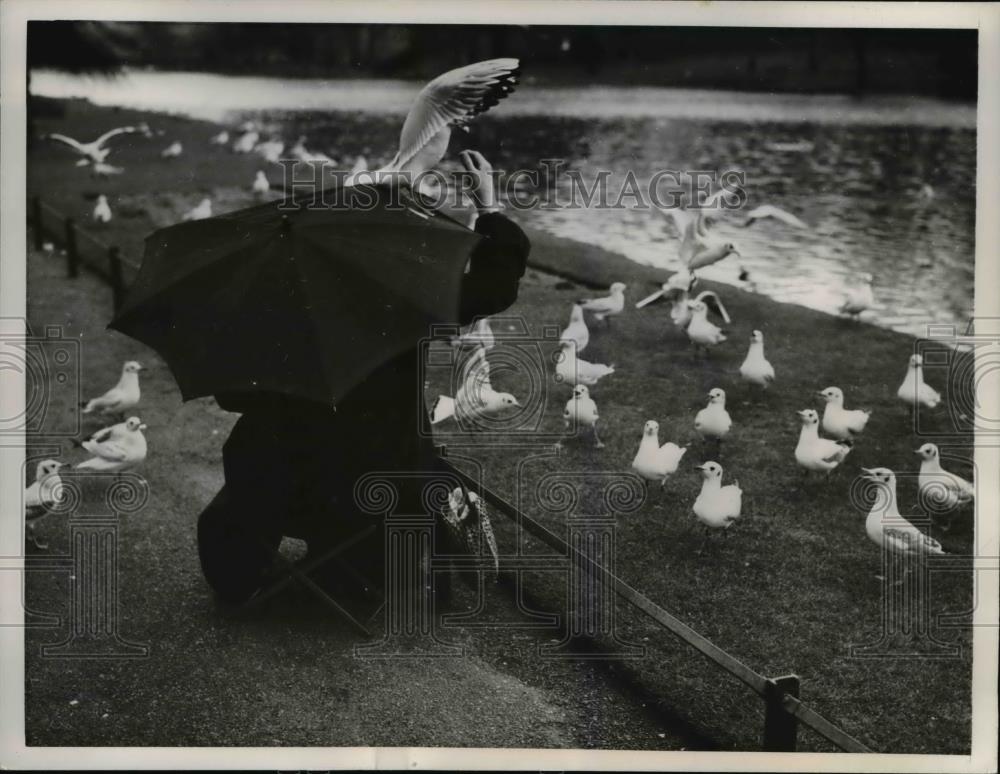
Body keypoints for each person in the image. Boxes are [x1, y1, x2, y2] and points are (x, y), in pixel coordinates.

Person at [197, 151, 529, 606]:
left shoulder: (277, 293)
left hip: (278, 481)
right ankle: (359, 568)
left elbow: (229, 397)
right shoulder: (401, 295)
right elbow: (495, 286)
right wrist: (488, 209)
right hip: (377, 485)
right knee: (401, 474)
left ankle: (253, 573)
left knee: (254, 474)